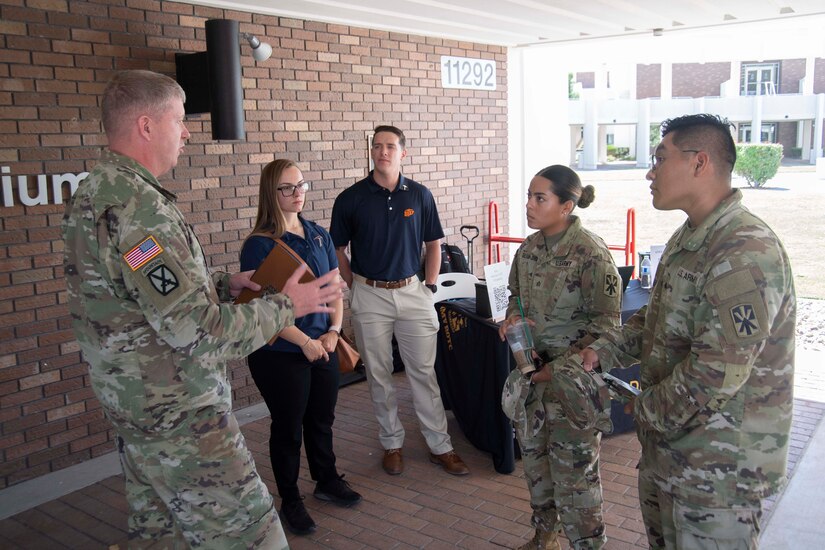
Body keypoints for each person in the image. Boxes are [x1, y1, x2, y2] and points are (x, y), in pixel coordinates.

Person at [62, 70, 344, 549]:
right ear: (148, 126)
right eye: (180, 119)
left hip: (139, 409)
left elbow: (137, 287)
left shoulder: (99, 192)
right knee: (256, 539)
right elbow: (199, 331)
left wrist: (219, 283)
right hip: (181, 417)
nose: (188, 131)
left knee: (162, 538)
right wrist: (286, 305)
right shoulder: (138, 209)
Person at [579, 114, 796, 549]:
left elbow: (716, 371)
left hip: (718, 474)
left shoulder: (744, 248)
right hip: (672, 457)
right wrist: (604, 350)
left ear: (700, 163)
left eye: (660, 158)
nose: (649, 171)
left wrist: (639, 410)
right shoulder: (690, 236)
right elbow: (657, 322)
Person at [329, 125, 469, 477]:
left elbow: (433, 243)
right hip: (370, 295)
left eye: (390, 146)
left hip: (413, 293)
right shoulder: (350, 198)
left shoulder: (420, 195)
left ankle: (441, 446)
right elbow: (337, 249)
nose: (383, 152)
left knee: (423, 373)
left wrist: (431, 286)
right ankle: (392, 443)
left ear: (402, 153)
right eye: (377, 146)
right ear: (371, 152)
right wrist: (355, 286)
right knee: (379, 375)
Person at [499, 165, 621, 550]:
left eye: (540, 198)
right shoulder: (528, 250)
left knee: (576, 478)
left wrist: (559, 369)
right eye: (529, 197)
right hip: (532, 380)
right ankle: (545, 538)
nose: (529, 206)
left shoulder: (590, 253)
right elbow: (514, 300)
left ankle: (587, 545)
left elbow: (608, 328)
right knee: (537, 468)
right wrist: (513, 320)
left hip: (570, 384)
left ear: (566, 206)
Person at [240, 159, 361, 536]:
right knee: (289, 428)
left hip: (323, 345)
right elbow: (258, 308)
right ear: (270, 193)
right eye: (288, 188)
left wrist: (333, 332)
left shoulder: (318, 235)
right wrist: (306, 341)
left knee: (321, 421)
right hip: (280, 353)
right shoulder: (259, 245)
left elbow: (334, 289)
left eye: (301, 185)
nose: (298, 193)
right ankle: (290, 500)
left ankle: (326, 480)